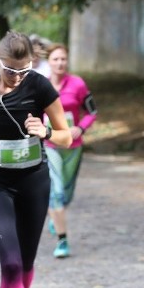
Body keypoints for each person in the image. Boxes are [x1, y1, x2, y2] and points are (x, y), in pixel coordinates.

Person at [0, 31, 72, 288]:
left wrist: (46, 132)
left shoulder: (39, 87)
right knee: (10, 263)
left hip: (33, 182)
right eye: (10, 70)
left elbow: (67, 135)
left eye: (23, 70)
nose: (17, 77)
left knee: (27, 263)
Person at [45, 43, 98, 258]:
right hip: (50, 146)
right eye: (55, 59)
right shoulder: (41, 85)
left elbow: (92, 111)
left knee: (66, 195)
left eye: (63, 59)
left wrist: (80, 128)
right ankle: (63, 241)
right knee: (56, 192)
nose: (59, 63)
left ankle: (55, 217)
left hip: (73, 147)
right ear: (48, 62)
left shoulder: (77, 84)